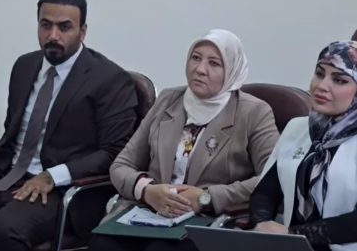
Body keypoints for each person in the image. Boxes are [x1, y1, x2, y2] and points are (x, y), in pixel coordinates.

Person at [0, 0, 139, 251]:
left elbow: (114, 152)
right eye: (46, 25)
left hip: (61, 190)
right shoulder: (25, 66)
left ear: (83, 31)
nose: (53, 36)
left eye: (64, 27)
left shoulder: (109, 79)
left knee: (4, 230)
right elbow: (15, 134)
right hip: (7, 176)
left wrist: (51, 176)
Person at [89, 29, 279, 251]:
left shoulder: (254, 113)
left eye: (214, 63)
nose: (200, 69)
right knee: (103, 244)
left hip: (208, 219)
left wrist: (207, 198)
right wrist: (147, 191)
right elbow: (121, 165)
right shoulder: (168, 100)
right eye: (195, 58)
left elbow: (271, 178)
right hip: (151, 212)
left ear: (232, 71)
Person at [249, 40, 357, 249]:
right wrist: (263, 225)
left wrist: (293, 233)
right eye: (319, 74)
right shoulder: (297, 128)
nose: (321, 86)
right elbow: (265, 193)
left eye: (339, 80)